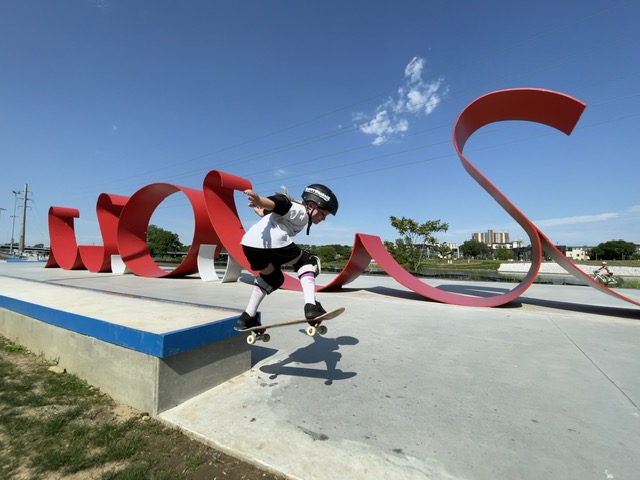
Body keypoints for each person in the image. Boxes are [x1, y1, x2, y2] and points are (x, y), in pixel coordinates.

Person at [236, 184, 339, 330]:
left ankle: (248, 316)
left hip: (249, 246)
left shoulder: (295, 214)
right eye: (323, 213)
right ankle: (311, 306)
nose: (323, 219)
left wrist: (262, 210)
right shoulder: (300, 211)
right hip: (271, 243)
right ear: (311, 205)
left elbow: (276, 212)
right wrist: (260, 200)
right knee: (308, 261)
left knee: (273, 278)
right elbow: (281, 203)